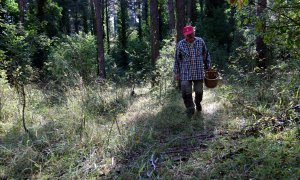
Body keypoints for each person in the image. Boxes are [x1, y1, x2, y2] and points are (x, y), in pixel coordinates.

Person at [173, 25, 212, 118]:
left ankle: (197, 102)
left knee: (199, 92)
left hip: (198, 72)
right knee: (186, 93)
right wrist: (176, 72)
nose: (190, 37)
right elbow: (176, 59)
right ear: (184, 35)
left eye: (191, 34)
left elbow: (206, 54)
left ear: (194, 33)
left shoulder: (200, 41)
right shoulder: (180, 44)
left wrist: (208, 67)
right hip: (185, 73)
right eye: (187, 35)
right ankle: (190, 109)